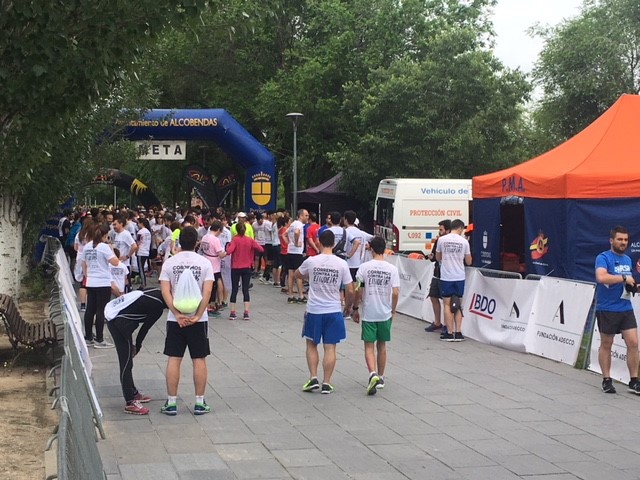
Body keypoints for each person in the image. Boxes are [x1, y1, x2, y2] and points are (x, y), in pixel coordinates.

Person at [159, 226, 215, 415]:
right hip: (198, 319)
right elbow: (207, 292)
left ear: (179, 241)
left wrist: (175, 313)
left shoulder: (169, 263)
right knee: (199, 358)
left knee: (174, 358)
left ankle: (171, 402)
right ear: (197, 242)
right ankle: (199, 402)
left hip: (176, 319)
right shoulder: (205, 263)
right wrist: (199, 315)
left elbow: (165, 290)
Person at [295, 230, 355, 394]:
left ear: (319, 242)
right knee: (330, 347)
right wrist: (349, 307)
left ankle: (313, 377)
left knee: (311, 344)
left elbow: (297, 274)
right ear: (334, 244)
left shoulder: (312, 261)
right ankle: (326, 382)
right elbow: (350, 289)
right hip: (333, 309)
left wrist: (312, 278)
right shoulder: (341, 263)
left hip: (314, 309)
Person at [104, 288, 167, 415]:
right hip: (118, 322)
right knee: (126, 362)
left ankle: (133, 393)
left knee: (128, 361)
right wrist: (137, 346)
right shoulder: (158, 306)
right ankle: (130, 402)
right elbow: (145, 328)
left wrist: (135, 345)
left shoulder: (155, 291)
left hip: (120, 317)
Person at [595, 225, 640, 394]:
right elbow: (601, 277)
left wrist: (635, 287)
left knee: (634, 343)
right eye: (620, 239)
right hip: (607, 308)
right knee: (607, 344)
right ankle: (606, 379)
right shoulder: (603, 257)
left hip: (625, 307)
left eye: (626, 240)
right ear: (611, 240)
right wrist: (622, 277)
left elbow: (628, 285)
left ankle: (634, 380)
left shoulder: (627, 260)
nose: (623, 243)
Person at [353, 236, 400, 395]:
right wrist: (393, 310)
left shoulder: (364, 267)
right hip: (385, 311)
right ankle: (381, 376)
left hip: (369, 311)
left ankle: (372, 373)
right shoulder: (392, 269)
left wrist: (355, 307)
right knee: (382, 345)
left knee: (368, 345)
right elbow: (395, 292)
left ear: (371, 249)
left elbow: (358, 288)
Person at [82, 223, 120, 348]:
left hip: (91, 281)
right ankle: (99, 339)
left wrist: (88, 276)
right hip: (102, 282)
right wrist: (111, 249)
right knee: (101, 310)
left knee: (90, 309)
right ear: (104, 236)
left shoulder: (87, 246)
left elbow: (83, 263)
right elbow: (115, 262)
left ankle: (88, 337)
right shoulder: (103, 247)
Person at [435, 219, 472, 342]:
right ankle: (459, 332)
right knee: (458, 304)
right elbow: (468, 261)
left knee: (447, 304)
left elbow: (438, 257)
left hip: (447, 276)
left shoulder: (442, 240)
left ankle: (449, 333)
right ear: (460, 228)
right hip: (460, 276)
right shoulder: (464, 242)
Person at [225, 222, 264, 320]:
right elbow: (261, 249)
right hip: (247, 267)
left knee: (234, 289)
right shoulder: (250, 240)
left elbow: (229, 251)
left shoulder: (235, 240)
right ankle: (246, 312)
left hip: (235, 267)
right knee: (245, 290)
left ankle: (233, 312)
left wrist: (228, 245)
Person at [425, 219, 451, 335]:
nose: (439, 232)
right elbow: (435, 255)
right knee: (433, 296)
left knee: (447, 301)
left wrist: (435, 257)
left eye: (441, 229)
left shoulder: (449, 241)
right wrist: (431, 257)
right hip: (437, 273)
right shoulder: (438, 240)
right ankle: (437, 322)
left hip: (447, 274)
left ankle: (447, 325)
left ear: (448, 230)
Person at [200, 220, 227, 317]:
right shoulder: (215, 240)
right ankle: (209, 305)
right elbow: (220, 254)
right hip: (214, 263)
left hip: (206, 259)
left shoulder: (205, 237)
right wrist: (227, 252)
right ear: (218, 230)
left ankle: (208, 304)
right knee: (213, 286)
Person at [287, 209, 309, 304]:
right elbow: (296, 232)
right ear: (301, 216)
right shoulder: (299, 225)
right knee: (299, 274)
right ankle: (301, 295)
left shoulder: (292, 224)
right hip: (297, 251)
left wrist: (289, 243)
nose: (307, 217)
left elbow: (284, 234)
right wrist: (296, 242)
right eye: (306, 215)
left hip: (290, 250)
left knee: (290, 273)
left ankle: (291, 295)